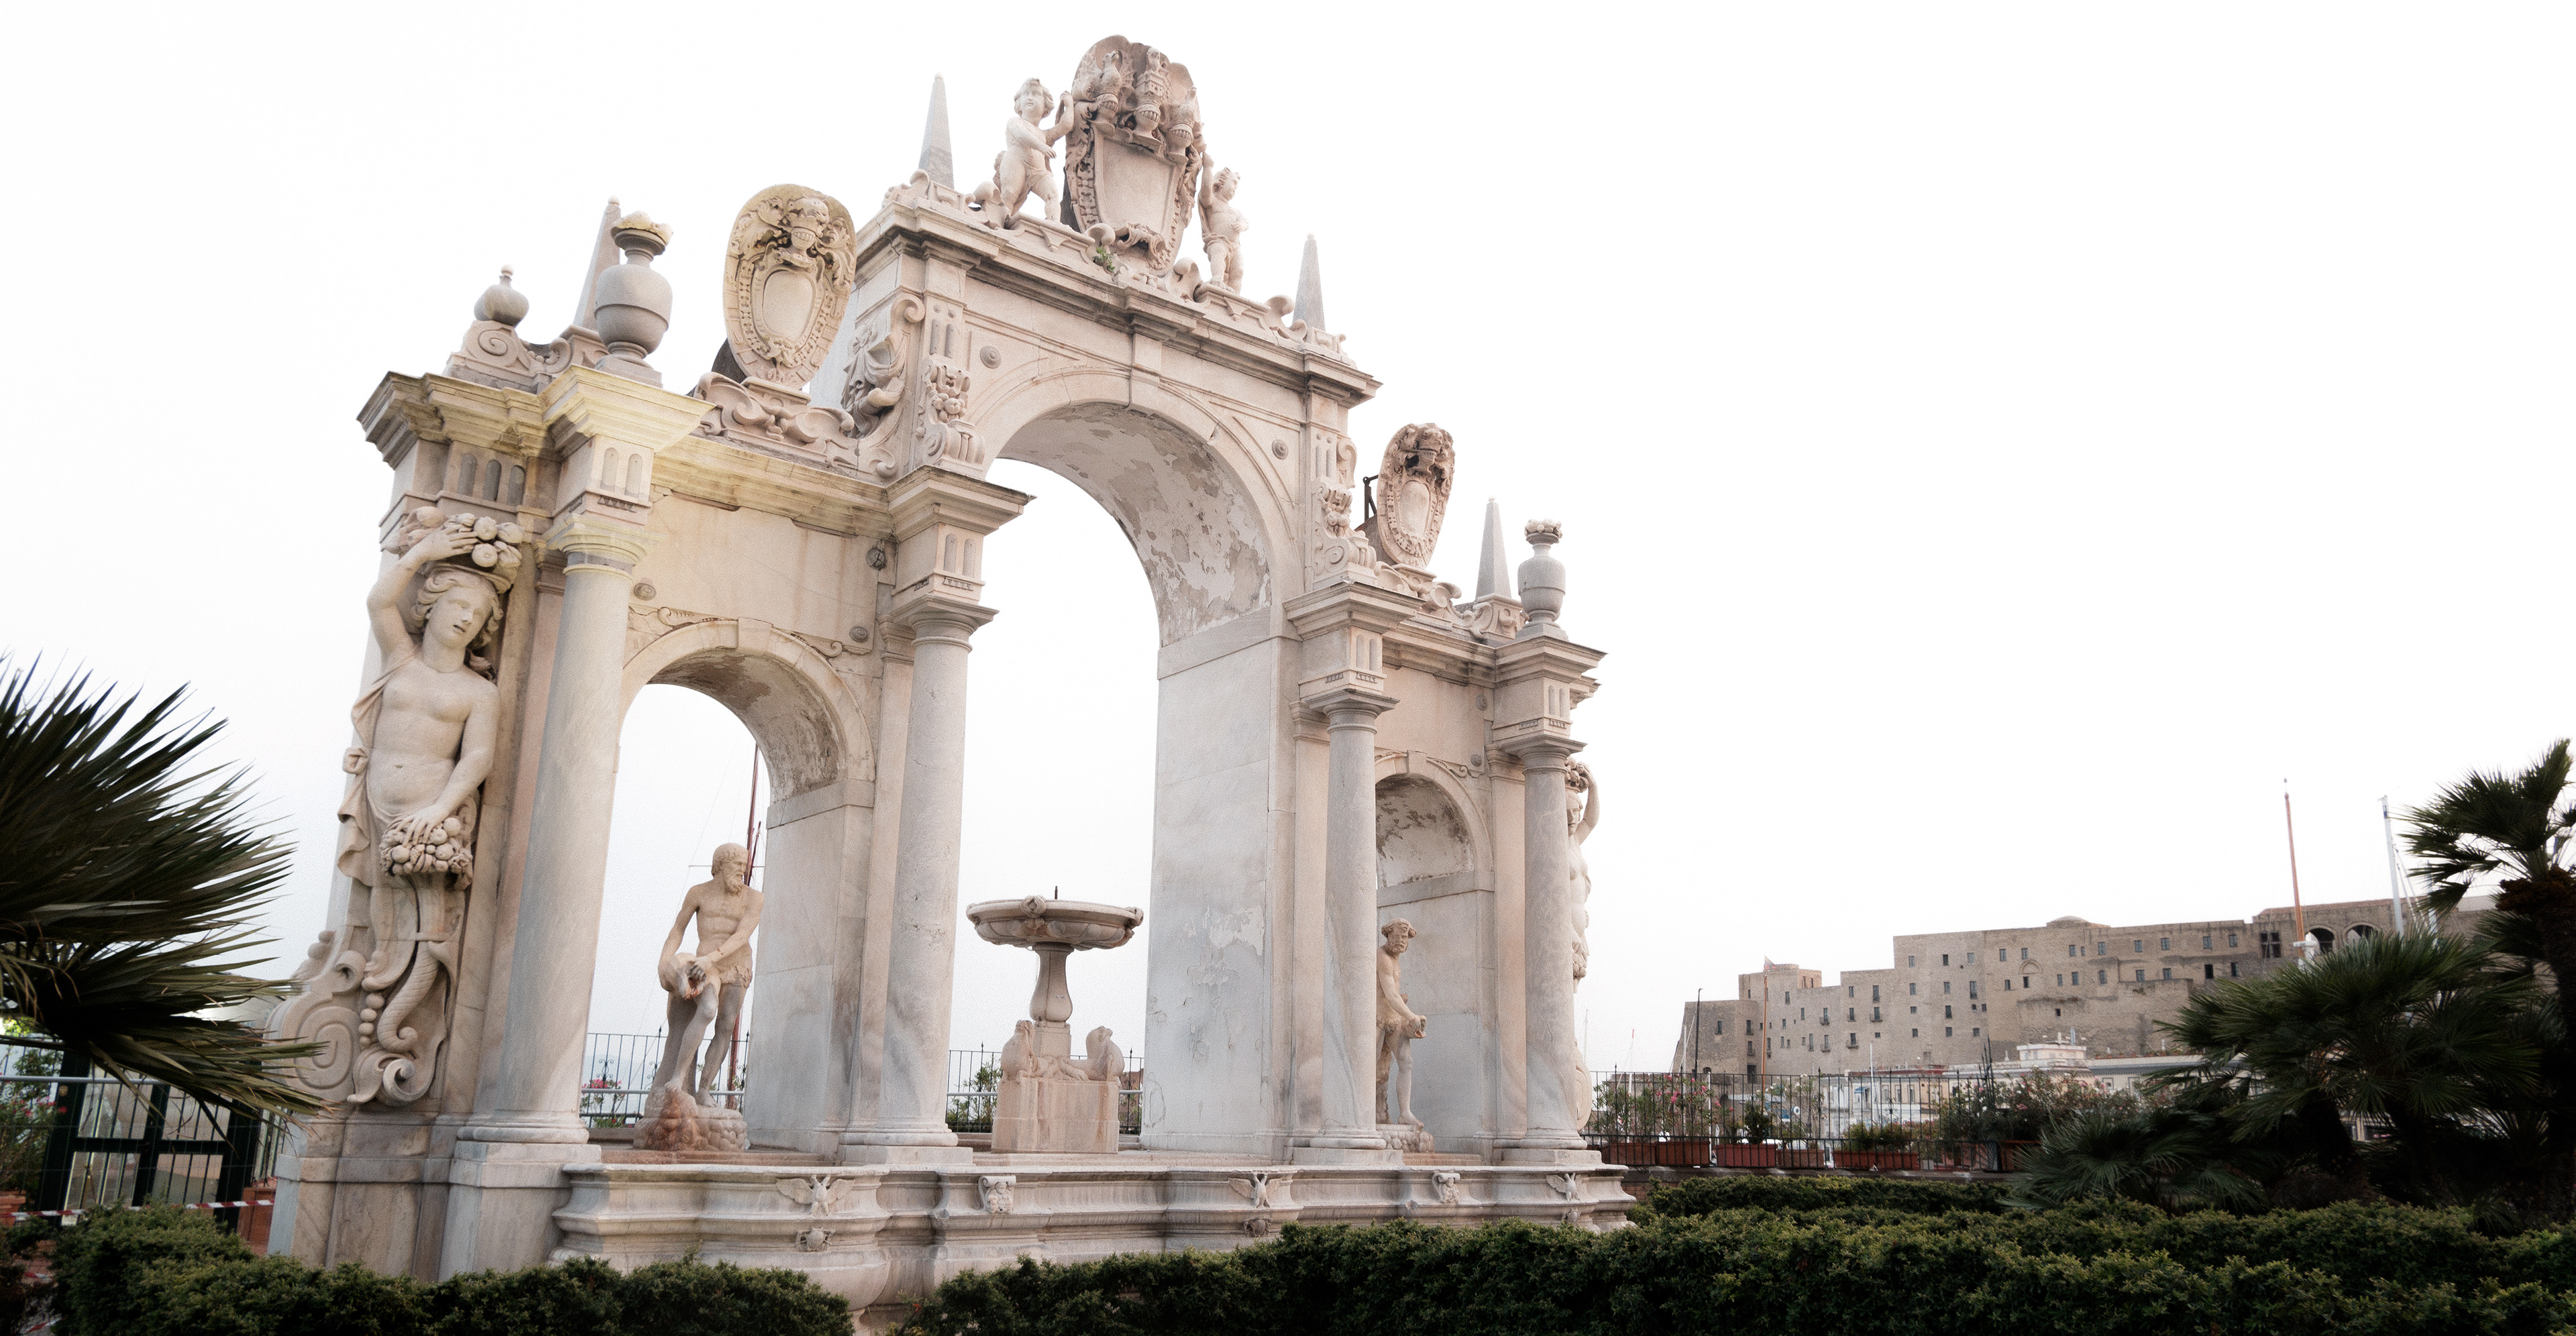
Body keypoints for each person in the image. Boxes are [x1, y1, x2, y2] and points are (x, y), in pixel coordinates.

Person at [649, 842, 765, 1101]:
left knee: (725, 1026)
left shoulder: (754, 898)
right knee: (707, 1010)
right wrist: (664, 963)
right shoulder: (699, 893)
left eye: (744, 866)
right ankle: (679, 1076)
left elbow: (742, 935)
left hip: (736, 964)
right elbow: (677, 930)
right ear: (721, 866)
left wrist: (710, 959)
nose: (743, 871)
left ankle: (704, 1090)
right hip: (705, 965)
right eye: (737, 865)